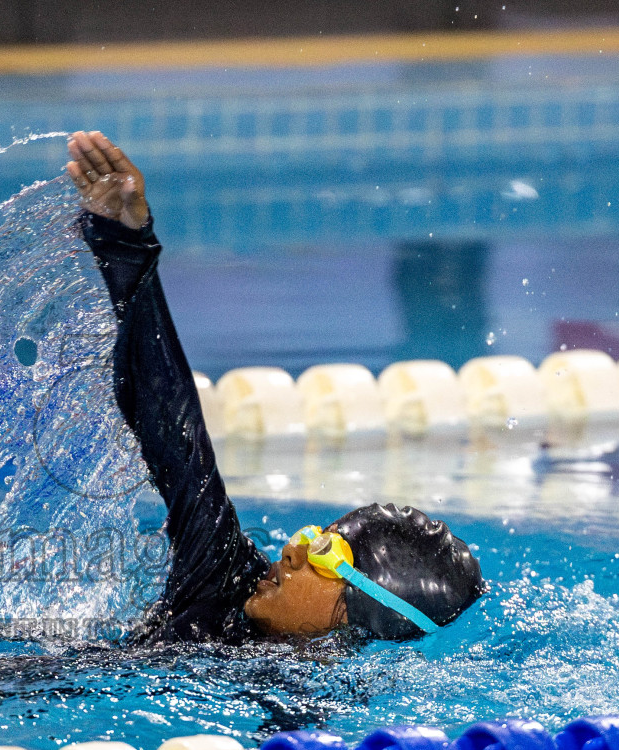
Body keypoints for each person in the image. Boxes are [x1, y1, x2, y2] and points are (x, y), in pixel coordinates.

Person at [65, 130, 485, 644]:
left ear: (370, 609)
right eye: (315, 538)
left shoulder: (319, 704)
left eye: (327, 556)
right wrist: (126, 242)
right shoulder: (224, 584)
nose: (292, 549)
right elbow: (174, 434)